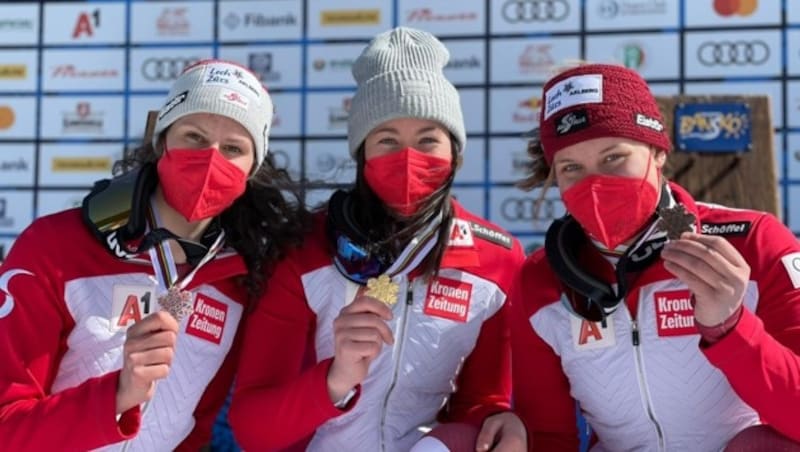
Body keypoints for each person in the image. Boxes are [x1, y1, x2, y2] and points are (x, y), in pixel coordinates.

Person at [229, 27, 528, 452]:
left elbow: (479, 403)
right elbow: (253, 432)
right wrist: (335, 379)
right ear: (361, 153)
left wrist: (502, 421)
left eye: (428, 140)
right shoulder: (303, 250)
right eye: (387, 140)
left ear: (455, 153)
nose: (408, 158)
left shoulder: (497, 259)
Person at [0, 59, 309, 450]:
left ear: (251, 170)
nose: (211, 157)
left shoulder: (240, 280)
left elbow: (195, 429)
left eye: (233, 148)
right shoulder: (56, 247)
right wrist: (117, 396)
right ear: (162, 141)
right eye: (194, 137)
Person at [509, 63, 800, 451]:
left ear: (657, 152)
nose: (596, 183)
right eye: (571, 168)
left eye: (614, 157)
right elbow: (549, 436)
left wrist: (730, 328)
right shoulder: (544, 279)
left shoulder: (753, 243)